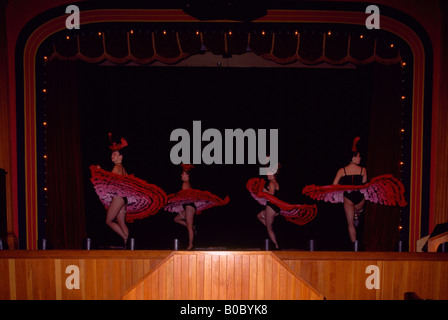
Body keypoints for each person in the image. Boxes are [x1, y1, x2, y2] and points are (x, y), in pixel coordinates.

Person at [165, 164, 229, 250]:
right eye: (182, 174)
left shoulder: (185, 184)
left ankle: (190, 244)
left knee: (189, 226)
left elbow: (185, 197)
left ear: (187, 176)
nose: (181, 175)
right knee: (176, 219)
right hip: (187, 207)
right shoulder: (187, 184)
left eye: (183, 174)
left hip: (189, 207)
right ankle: (192, 227)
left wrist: (174, 199)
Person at [332, 148, 367, 244]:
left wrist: (344, 187)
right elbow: (365, 186)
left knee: (350, 224)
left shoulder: (342, 170)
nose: (360, 158)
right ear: (353, 158)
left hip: (348, 197)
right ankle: (357, 213)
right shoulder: (363, 170)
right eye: (359, 156)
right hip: (360, 198)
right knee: (357, 210)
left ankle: (354, 247)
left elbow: (334, 184)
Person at [104, 135, 130, 247]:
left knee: (108, 221)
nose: (112, 156)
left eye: (114, 154)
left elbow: (110, 184)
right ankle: (127, 245)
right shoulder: (123, 169)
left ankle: (125, 238)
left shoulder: (116, 168)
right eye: (112, 154)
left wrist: (101, 173)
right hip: (124, 199)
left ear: (120, 157)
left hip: (118, 197)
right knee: (121, 222)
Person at [257, 171, 281, 250]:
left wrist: (264, 190)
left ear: (273, 175)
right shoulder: (275, 182)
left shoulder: (271, 183)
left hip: (271, 207)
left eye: (268, 173)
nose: (267, 175)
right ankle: (272, 232)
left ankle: (277, 246)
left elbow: (271, 194)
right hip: (275, 207)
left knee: (269, 228)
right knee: (259, 216)